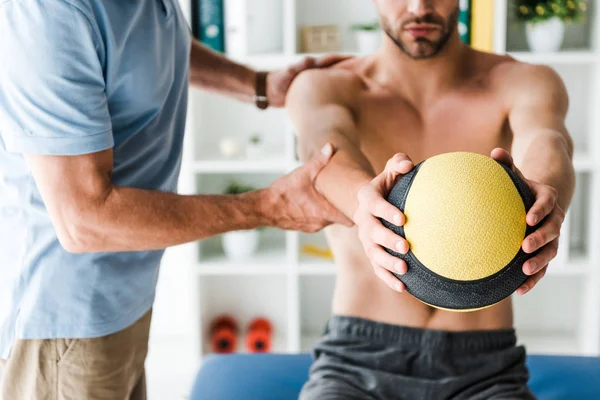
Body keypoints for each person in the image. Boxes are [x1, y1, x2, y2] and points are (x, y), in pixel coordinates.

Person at [0, 1, 351, 399]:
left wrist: (260, 85)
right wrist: (268, 207)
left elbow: (160, 45)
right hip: (64, 320)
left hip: (127, 298)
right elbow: (85, 220)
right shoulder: (48, 14)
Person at [287, 0, 575, 398]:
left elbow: (547, 140)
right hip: (354, 363)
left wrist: (545, 194)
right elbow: (326, 155)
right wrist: (364, 202)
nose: (419, 6)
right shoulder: (323, 86)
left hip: (488, 369)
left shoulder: (524, 81)